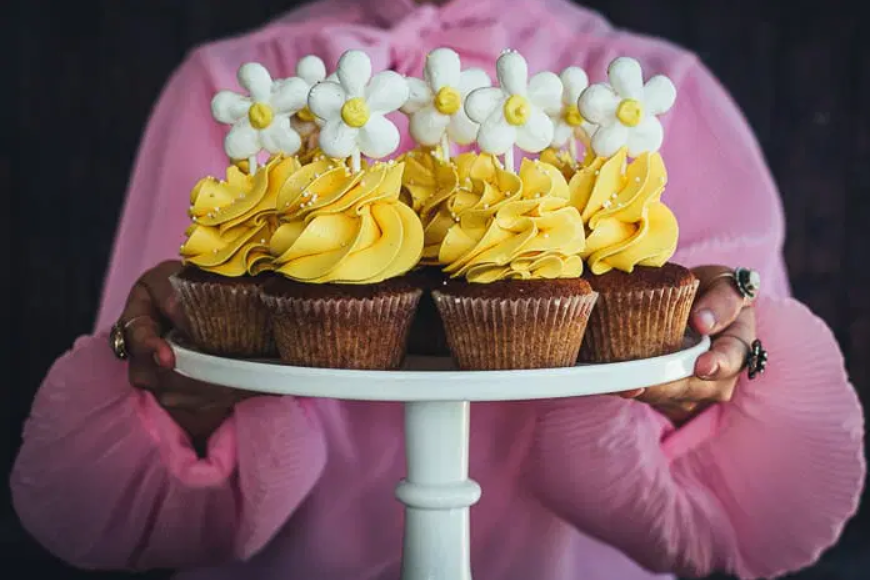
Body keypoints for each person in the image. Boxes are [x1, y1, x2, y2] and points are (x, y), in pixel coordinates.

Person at [10, 0, 866, 579]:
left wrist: (706, 374)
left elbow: (729, 492)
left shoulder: (654, 94)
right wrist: (178, 387)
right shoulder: (233, 89)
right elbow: (154, 442)